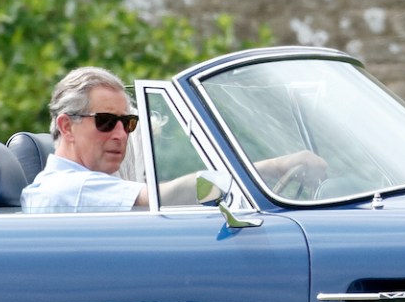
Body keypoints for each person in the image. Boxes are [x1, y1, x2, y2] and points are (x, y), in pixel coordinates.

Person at [21, 67, 327, 213]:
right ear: (67, 126)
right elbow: (167, 195)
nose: (120, 134)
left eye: (127, 123)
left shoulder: (88, 186)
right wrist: (272, 168)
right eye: (106, 121)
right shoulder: (67, 189)